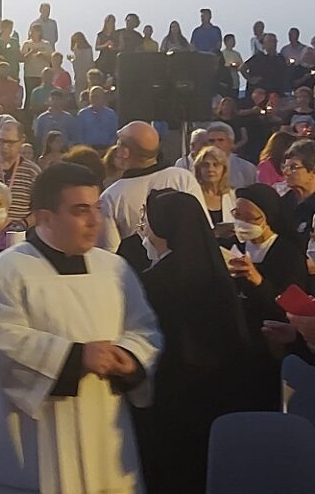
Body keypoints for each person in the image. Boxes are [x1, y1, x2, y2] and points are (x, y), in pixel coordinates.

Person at [0, 162, 161, 494]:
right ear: (45, 217)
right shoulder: (5, 271)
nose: (94, 221)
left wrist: (131, 358)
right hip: (36, 440)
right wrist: (74, 357)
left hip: (104, 434)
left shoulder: (114, 268)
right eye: (80, 210)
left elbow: (144, 328)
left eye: (97, 208)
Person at [136, 189, 247, 494]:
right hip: (217, 390)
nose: (145, 231)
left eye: (149, 223)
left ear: (166, 227)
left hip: (172, 393)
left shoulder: (157, 279)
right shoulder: (215, 268)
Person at [228, 184, 307, 411]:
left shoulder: (287, 253)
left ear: (267, 218)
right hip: (241, 342)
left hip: (272, 347)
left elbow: (289, 306)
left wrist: (257, 280)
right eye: (237, 215)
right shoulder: (236, 246)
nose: (242, 223)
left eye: (250, 218)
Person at [99, 121, 208, 252]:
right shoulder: (182, 177)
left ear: (125, 152)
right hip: (189, 262)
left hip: (136, 270)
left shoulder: (111, 197)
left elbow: (110, 251)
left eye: (119, 143)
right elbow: (203, 228)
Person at [281, 140, 315, 257]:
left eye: (293, 167)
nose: (286, 172)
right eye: (284, 167)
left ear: (313, 171)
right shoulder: (283, 202)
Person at [206, 122, 256, 189]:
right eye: (211, 141)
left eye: (220, 140)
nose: (216, 144)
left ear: (231, 143)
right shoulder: (200, 168)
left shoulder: (247, 168)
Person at [194, 145, 236, 226]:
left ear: (224, 169)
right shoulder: (193, 195)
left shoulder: (233, 197)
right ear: (198, 169)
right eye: (205, 165)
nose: (210, 169)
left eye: (216, 165)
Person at [33, 89, 77, 153]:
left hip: (64, 150)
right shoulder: (42, 118)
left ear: (62, 101)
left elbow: (73, 136)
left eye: (58, 99)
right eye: (53, 99)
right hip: (47, 151)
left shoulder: (68, 118)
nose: (55, 102)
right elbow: (38, 137)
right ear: (49, 100)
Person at [20, 24, 53, 111]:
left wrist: (42, 56)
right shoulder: (27, 44)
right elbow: (22, 59)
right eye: (33, 31)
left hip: (42, 75)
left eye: (37, 31)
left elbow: (51, 59)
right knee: (30, 96)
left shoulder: (46, 44)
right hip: (30, 74)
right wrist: (31, 52)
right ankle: (28, 117)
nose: (35, 33)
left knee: (43, 96)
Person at [76, 86, 118, 151]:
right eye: (92, 96)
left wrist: (108, 148)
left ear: (103, 98)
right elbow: (79, 134)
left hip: (106, 149)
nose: (95, 99)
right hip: (88, 150)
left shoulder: (111, 114)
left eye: (97, 97)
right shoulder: (82, 114)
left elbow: (114, 134)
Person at [68, 32, 94, 96]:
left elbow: (78, 62)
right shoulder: (88, 48)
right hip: (85, 74)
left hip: (81, 74)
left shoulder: (78, 49)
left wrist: (71, 59)